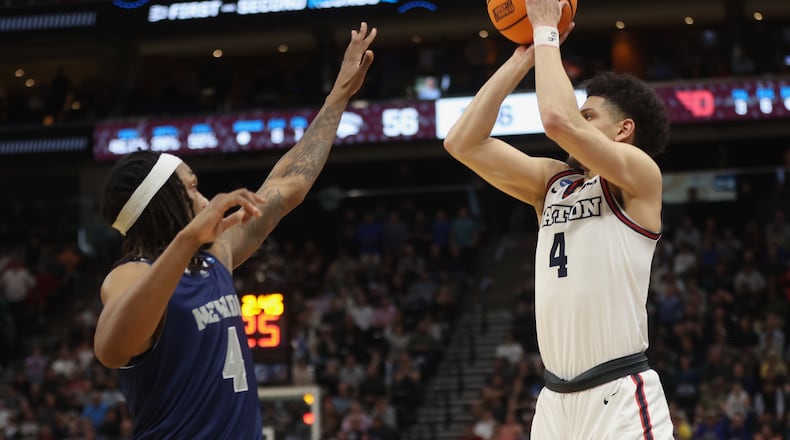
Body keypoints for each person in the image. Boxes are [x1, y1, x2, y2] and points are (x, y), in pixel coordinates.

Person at [93, 22, 376, 438]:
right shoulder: (130, 274)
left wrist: (338, 96)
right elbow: (111, 349)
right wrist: (189, 236)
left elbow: (288, 185)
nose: (205, 199)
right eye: (191, 188)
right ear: (165, 205)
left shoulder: (215, 256)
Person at [443, 0, 673, 437]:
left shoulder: (639, 175)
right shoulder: (553, 182)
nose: (578, 120)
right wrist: (521, 58)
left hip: (619, 395)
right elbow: (462, 142)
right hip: (554, 404)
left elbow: (556, 119)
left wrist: (547, 30)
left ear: (624, 130)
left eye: (589, 115)